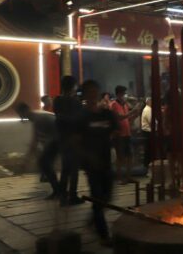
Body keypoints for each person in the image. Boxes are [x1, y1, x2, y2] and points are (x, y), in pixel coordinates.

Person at [78, 80, 119, 246]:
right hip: (92, 165)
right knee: (98, 198)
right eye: (89, 92)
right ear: (85, 95)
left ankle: (92, 219)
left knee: (107, 197)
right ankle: (103, 235)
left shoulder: (106, 114)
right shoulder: (82, 117)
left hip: (106, 161)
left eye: (95, 91)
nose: (93, 94)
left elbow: (115, 129)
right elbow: (77, 141)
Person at [16, 99, 60, 199]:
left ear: (25, 111)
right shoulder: (36, 117)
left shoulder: (38, 118)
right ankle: (58, 190)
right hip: (56, 140)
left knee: (44, 163)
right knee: (45, 163)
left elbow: (35, 141)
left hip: (58, 139)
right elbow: (35, 141)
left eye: (20, 113)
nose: (20, 116)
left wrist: (26, 161)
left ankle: (58, 190)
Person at [54, 76, 84, 206]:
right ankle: (72, 195)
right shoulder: (75, 102)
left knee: (65, 169)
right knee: (74, 169)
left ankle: (62, 197)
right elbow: (79, 120)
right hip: (74, 138)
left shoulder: (57, 100)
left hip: (62, 138)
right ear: (73, 87)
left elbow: (58, 117)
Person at [110, 85, 141, 184]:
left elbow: (127, 119)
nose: (124, 96)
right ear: (118, 94)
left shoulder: (125, 105)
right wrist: (132, 112)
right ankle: (120, 178)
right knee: (120, 157)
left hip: (127, 133)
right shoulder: (114, 104)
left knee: (129, 156)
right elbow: (120, 117)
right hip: (119, 135)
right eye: (122, 94)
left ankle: (128, 176)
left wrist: (135, 114)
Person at [140, 97, 152, 169]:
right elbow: (151, 121)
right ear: (148, 102)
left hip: (147, 132)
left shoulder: (148, 109)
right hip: (148, 132)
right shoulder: (148, 110)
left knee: (148, 150)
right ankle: (147, 166)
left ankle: (147, 165)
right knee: (148, 150)